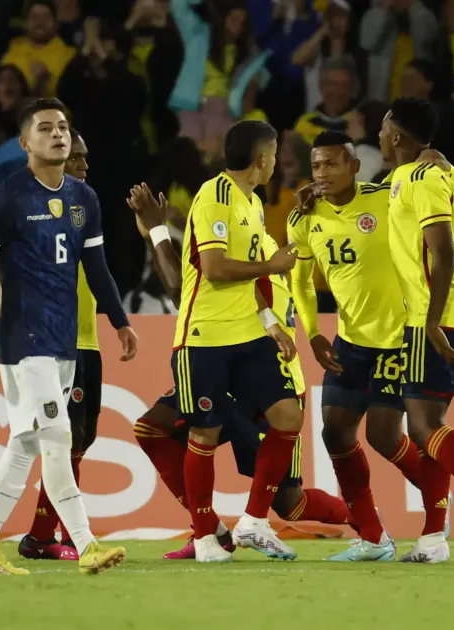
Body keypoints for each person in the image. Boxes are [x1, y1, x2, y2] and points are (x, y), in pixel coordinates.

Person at [0, 98, 134, 576]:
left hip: (63, 340)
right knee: (58, 436)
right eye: (46, 129)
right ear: (26, 143)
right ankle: (87, 544)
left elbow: (97, 267)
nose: (58, 135)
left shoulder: (83, 199)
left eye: (63, 127)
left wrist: (119, 319)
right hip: (24, 343)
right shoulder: (8, 198)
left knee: (24, 444)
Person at [127, 182, 351, 561]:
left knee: (291, 504)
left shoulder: (250, 251)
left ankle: (362, 517)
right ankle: (208, 530)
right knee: (153, 428)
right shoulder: (250, 247)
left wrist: (157, 230)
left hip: (269, 377)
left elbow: (183, 290)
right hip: (232, 365)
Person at [289, 130, 436, 562]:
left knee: (384, 437)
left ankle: (437, 502)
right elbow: (299, 279)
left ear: (355, 166)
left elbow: (422, 190)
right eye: (317, 165)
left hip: (397, 339)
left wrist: (436, 156)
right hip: (349, 341)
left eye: (333, 163)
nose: (323, 172)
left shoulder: (385, 199)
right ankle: (374, 538)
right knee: (335, 432)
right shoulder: (303, 217)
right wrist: (313, 332)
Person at [170, 120, 303, 562]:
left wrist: (272, 324)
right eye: (275, 153)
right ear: (262, 158)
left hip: (248, 335)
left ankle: (253, 520)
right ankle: (205, 534)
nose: (276, 162)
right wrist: (273, 266)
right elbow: (215, 268)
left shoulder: (253, 203)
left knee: (288, 416)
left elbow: (251, 278)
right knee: (204, 435)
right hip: (203, 336)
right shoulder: (216, 195)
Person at [382, 97, 454, 563]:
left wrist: (430, 321)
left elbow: (444, 252)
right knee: (427, 426)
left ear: (395, 134)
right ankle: (433, 538)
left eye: (383, 127)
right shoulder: (426, 173)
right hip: (436, 313)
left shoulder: (424, 177)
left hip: (434, 315)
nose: (378, 135)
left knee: (424, 425)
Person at [18, 129, 104, 561]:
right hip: (58, 344)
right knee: (60, 440)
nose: (84, 167)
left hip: (88, 340)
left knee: (82, 438)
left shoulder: (84, 211)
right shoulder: (34, 212)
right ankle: (40, 534)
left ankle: (52, 530)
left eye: (86, 160)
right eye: (76, 159)